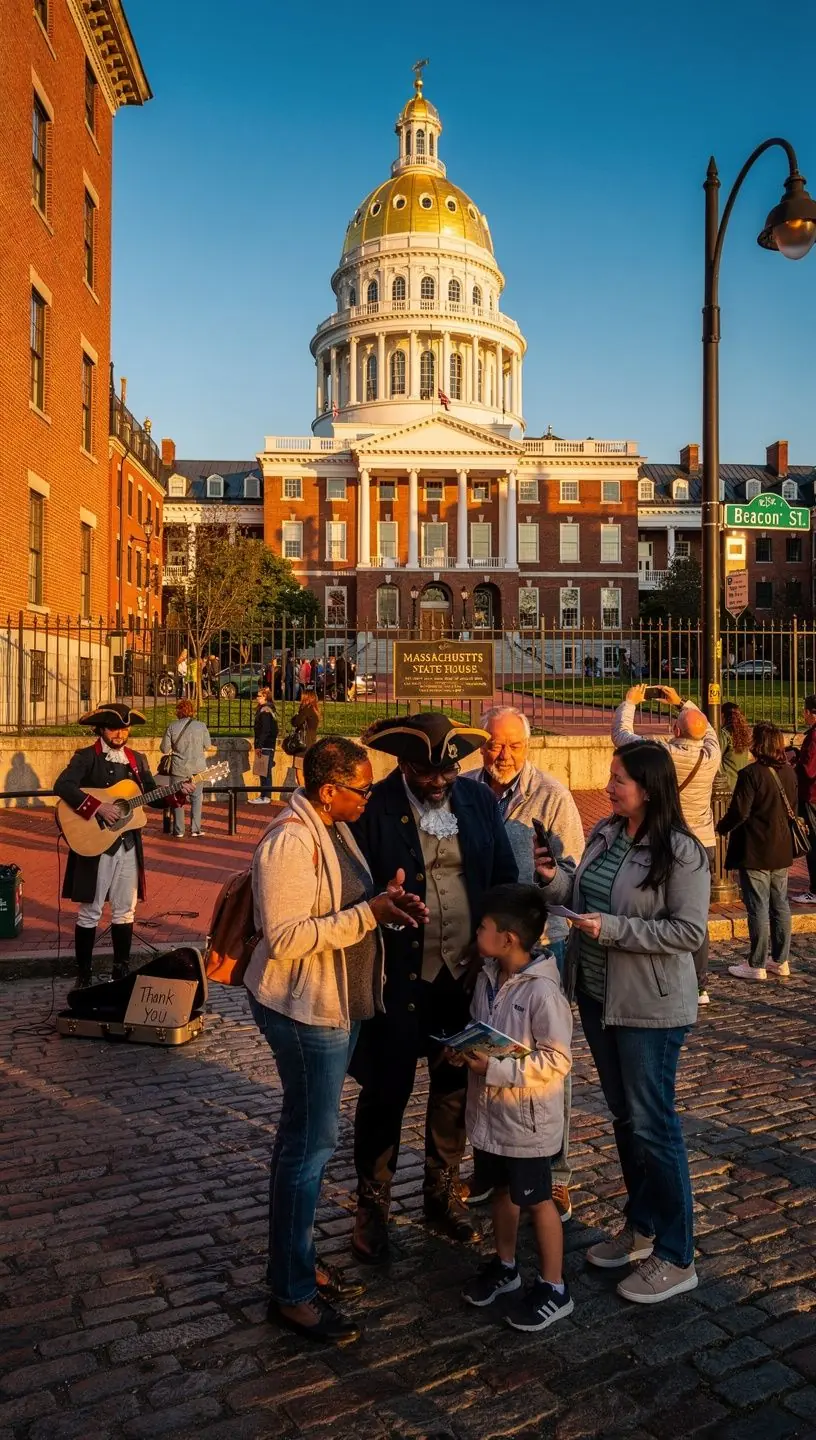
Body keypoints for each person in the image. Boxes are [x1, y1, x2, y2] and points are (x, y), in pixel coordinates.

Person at [243, 737, 428, 1345]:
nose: (370, 797)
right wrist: (369, 915)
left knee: (305, 1141)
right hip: (304, 1009)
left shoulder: (335, 828)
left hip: (337, 1003)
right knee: (309, 1146)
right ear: (330, 791)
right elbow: (288, 938)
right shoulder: (290, 841)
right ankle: (290, 1291)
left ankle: (291, 1263)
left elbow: (349, 905)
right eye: (362, 788)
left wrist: (387, 906)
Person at [535, 742, 709, 1304]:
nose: (610, 788)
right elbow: (581, 895)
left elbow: (688, 933)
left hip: (649, 1007)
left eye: (619, 780)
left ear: (650, 788)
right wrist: (550, 879)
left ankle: (678, 1254)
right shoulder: (607, 833)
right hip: (596, 996)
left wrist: (610, 930)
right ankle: (641, 1226)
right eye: (610, 777)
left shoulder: (680, 851)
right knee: (624, 1119)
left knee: (654, 1124)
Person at [348, 714, 518, 1264]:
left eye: (448, 768)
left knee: (452, 1089)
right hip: (398, 977)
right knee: (385, 1093)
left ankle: (441, 1195)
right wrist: (383, 906)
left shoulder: (478, 802)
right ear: (403, 764)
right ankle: (372, 1207)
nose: (440, 780)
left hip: (463, 977)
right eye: (427, 771)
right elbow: (351, 891)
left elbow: (501, 879)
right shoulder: (372, 808)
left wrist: (498, 950)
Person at [465, 705, 584, 1221]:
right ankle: (491, 1163)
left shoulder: (551, 795)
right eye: (494, 743)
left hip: (539, 944)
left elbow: (571, 878)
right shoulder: (467, 788)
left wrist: (548, 873)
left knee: (542, 1060)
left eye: (513, 744)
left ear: (528, 746)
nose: (503, 754)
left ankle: (554, 1173)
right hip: (486, 943)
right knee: (489, 1048)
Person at [458, 884, 574, 1333]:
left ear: (508, 938)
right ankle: (505, 1266)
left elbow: (557, 1060)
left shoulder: (544, 994)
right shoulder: (489, 975)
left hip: (526, 1121)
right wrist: (466, 1050)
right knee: (501, 1193)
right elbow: (481, 1026)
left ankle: (554, 1285)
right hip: (492, 1117)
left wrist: (496, 1069)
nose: (478, 931)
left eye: (484, 926)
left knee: (538, 1201)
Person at [54, 703, 191, 988]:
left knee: (125, 909)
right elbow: (63, 785)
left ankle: (121, 971)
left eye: (125, 728)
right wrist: (98, 807)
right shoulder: (86, 757)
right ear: (102, 729)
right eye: (115, 728)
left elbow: (152, 795)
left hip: (128, 843)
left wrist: (177, 793)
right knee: (90, 910)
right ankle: (84, 974)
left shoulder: (136, 760)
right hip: (97, 842)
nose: (120, 733)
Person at [613, 683, 720, 1005]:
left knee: (661, 910)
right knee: (695, 914)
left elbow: (623, 737)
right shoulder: (711, 754)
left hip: (668, 837)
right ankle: (700, 983)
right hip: (703, 840)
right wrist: (683, 703)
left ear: (674, 729)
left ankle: (666, 975)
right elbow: (709, 730)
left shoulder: (664, 755)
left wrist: (629, 702)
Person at [717, 723, 796, 981]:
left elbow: (740, 811)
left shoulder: (750, 774)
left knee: (758, 906)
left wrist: (722, 826)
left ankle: (757, 962)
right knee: (780, 904)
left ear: (758, 744)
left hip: (756, 847)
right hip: (781, 846)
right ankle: (781, 959)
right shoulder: (788, 772)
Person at [159, 699, 213, 838]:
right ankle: (196, 829)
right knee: (196, 798)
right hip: (198, 768)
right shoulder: (201, 726)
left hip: (178, 769)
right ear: (192, 711)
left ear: (178, 712)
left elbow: (164, 749)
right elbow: (208, 745)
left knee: (178, 799)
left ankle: (179, 830)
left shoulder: (172, 726)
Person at [793, 695, 816, 905]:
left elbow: (809, 770)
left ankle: (814, 889)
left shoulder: (814, 736)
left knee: (813, 842)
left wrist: (796, 763)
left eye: (805, 711)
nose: (803, 714)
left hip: (812, 795)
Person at [249, 688, 278, 804]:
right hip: (267, 744)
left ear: (265, 697)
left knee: (264, 772)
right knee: (263, 771)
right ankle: (264, 795)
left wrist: (259, 745)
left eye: (259, 696)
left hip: (265, 745)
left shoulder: (265, 711)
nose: (257, 698)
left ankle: (265, 796)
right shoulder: (266, 709)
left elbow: (265, 730)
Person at [719, 702, 753, 794]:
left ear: (722, 715)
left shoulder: (724, 734)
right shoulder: (744, 733)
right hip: (741, 783)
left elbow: (715, 756)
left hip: (727, 784)